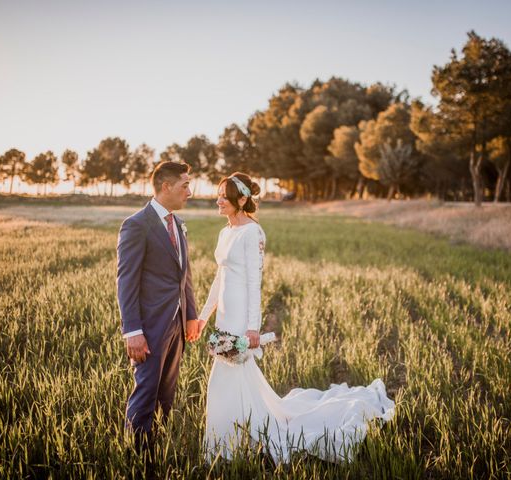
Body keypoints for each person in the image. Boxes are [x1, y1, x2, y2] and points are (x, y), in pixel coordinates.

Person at [196, 172, 395, 463]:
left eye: (223, 197)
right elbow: (219, 277)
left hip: (241, 318)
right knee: (231, 378)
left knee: (228, 377)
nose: (218, 201)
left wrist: (253, 327)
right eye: (217, 196)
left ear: (241, 200)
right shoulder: (225, 232)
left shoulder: (253, 233)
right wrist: (203, 316)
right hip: (224, 315)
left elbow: (255, 283)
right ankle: (235, 441)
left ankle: (235, 444)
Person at [116, 161, 200, 462]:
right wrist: (133, 331)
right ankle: (137, 459)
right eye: (185, 185)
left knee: (167, 392)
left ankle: (158, 451)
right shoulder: (137, 224)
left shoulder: (177, 224)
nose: (189, 192)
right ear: (166, 187)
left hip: (177, 324)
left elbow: (184, 276)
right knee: (146, 391)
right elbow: (126, 281)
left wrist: (191, 315)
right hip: (149, 327)